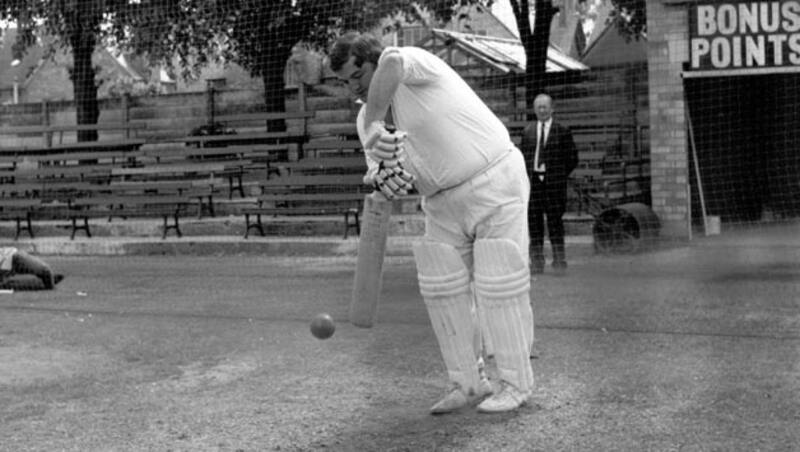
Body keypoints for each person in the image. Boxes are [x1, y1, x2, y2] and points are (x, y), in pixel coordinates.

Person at [330, 32, 534, 414]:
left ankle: (516, 383)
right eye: (345, 82)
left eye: (357, 76)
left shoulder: (411, 63)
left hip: (493, 180)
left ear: (373, 60)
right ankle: (467, 382)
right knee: (443, 289)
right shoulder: (364, 120)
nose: (352, 88)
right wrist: (381, 178)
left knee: (498, 283)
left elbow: (392, 63)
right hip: (439, 202)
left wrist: (375, 120)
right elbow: (381, 173)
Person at [522, 94, 578, 274]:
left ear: (552, 108)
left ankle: (559, 261)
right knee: (534, 223)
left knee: (555, 222)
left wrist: (557, 176)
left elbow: (572, 159)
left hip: (554, 184)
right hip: (534, 184)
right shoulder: (528, 131)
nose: (542, 110)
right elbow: (524, 157)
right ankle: (537, 261)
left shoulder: (563, 131)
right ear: (534, 109)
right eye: (538, 107)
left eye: (545, 106)